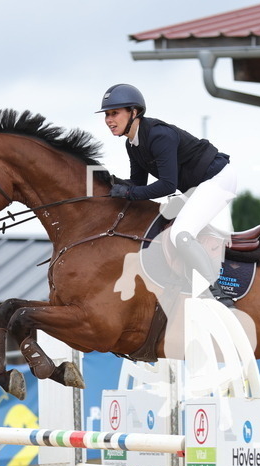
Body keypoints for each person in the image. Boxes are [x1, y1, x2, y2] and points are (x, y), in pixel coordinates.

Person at [97, 83, 237, 307]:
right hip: (197, 186)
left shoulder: (159, 136)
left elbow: (167, 186)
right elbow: (138, 184)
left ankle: (217, 292)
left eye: (114, 113)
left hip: (217, 179)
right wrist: (110, 184)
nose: (108, 120)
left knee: (180, 233)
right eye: (106, 114)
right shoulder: (132, 145)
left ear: (134, 112)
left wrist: (129, 191)